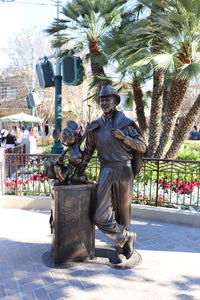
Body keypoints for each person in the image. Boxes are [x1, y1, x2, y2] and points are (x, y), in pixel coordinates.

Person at [72, 85, 147, 262]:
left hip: (123, 169)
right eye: (102, 100)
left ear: (114, 102)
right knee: (99, 214)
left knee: (123, 210)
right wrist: (76, 168)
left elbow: (143, 147)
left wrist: (125, 138)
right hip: (106, 169)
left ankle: (124, 248)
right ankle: (125, 236)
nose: (105, 102)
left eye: (108, 99)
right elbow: (88, 153)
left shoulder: (125, 124)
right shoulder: (95, 127)